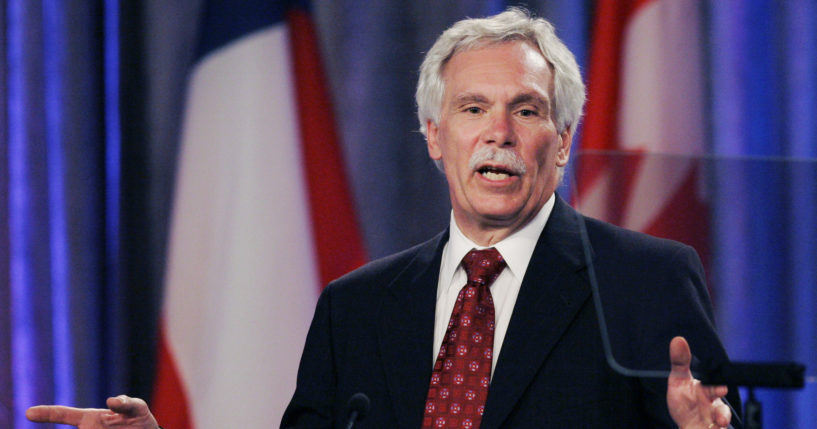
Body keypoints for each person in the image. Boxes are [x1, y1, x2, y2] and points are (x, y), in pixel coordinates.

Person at [27, 7, 738, 429]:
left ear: (562, 141)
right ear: (434, 136)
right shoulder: (356, 306)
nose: (498, 131)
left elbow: (723, 417)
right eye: (471, 109)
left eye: (526, 110)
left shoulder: (644, 279)